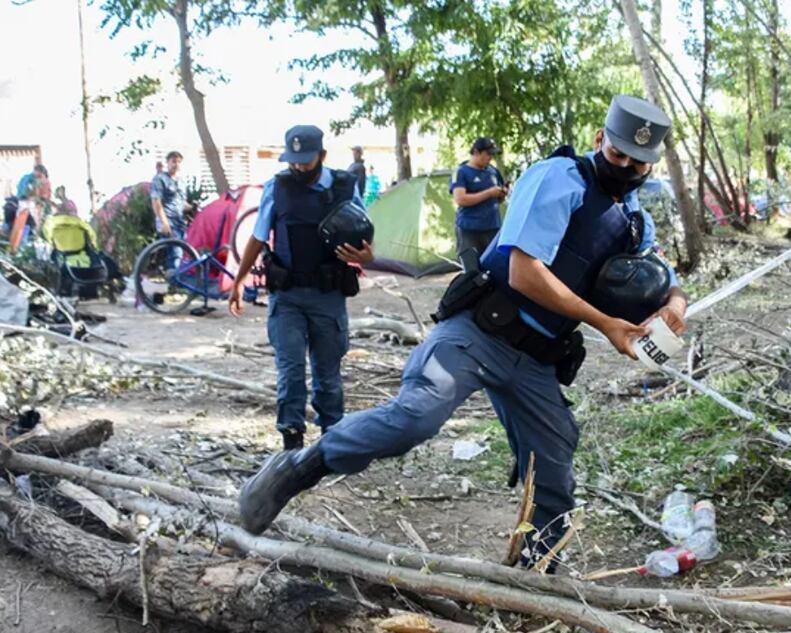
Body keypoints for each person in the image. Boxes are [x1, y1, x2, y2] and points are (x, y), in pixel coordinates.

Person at [238, 96, 689, 570]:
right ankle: (299, 466)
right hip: (479, 331)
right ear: (601, 141)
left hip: (538, 358)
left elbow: (661, 271)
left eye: (638, 163)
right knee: (413, 419)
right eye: (618, 155)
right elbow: (523, 271)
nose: (626, 167)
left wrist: (674, 303)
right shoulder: (559, 178)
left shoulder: (636, 219)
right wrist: (606, 323)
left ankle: (534, 575)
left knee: (555, 467)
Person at [229, 125, 375, 451]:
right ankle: (291, 445)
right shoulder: (276, 188)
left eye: (305, 162)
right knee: (291, 373)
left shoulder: (344, 187)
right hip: (287, 296)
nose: (298, 167)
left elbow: (365, 236)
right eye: (293, 161)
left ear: (322, 156)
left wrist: (367, 255)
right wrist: (238, 281)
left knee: (328, 376)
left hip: (328, 296)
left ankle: (331, 444)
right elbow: (257, 237)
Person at [450, 137, 507, 257]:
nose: (490, 158)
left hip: (492, 227)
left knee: (493, 266)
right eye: (487, 154)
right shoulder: (461, 172)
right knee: (471, 268)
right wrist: (489, 193)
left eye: (492, 154)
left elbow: (499, 199)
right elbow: (460, 199)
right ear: (476, 152)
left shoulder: (493, 172)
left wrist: (501, 194)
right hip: (469, 229)